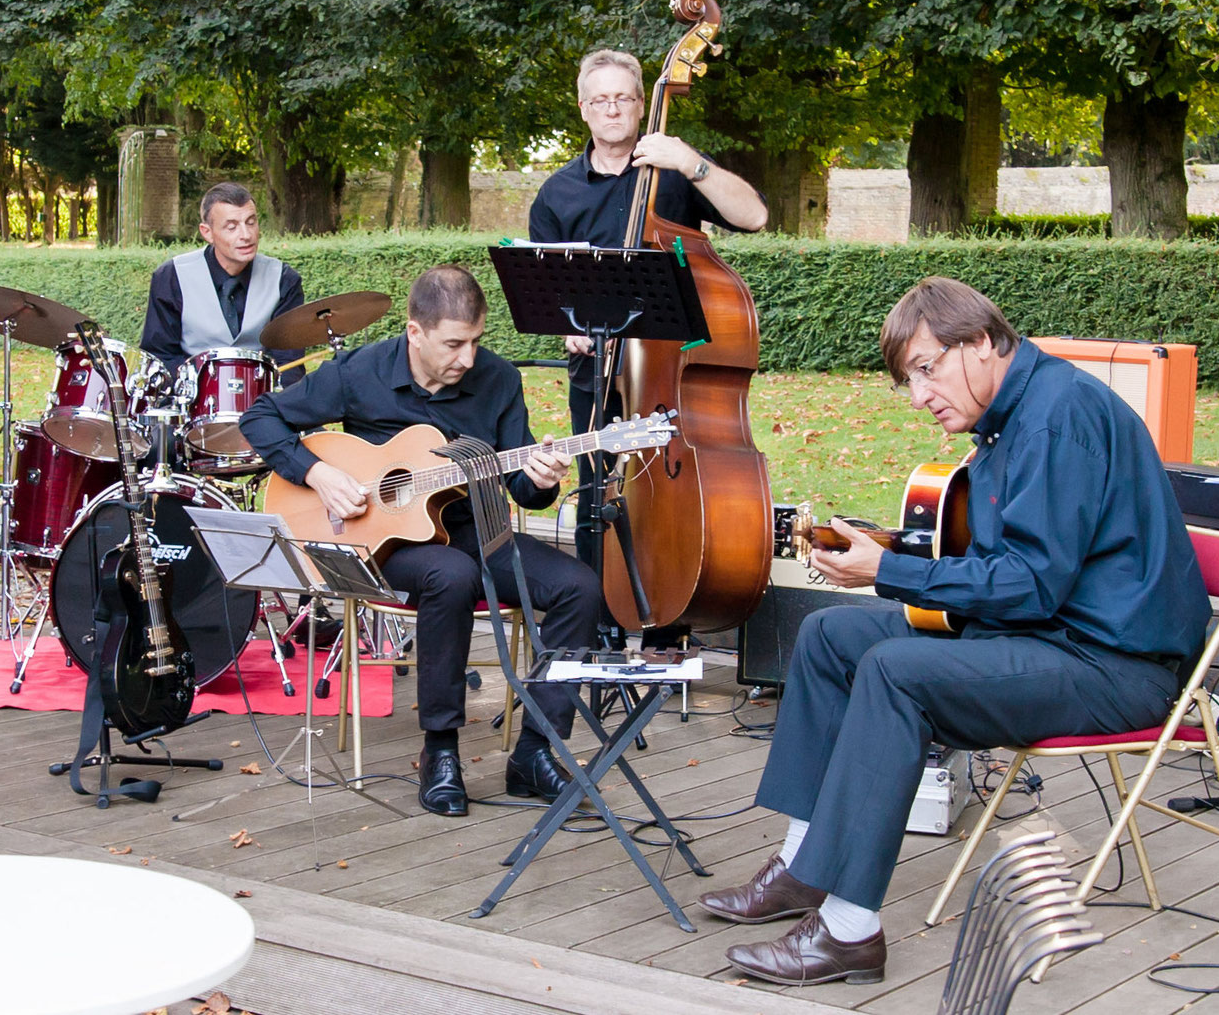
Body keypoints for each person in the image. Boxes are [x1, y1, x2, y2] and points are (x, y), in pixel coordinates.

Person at [700, 277, 1211, 986]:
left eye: (925, 370)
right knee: (829, 639)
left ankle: (849, 933)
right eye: (910, 379)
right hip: (1046, 638)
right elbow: (1008, 567)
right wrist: (891, 555)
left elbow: (1032, 585)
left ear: (978, 345)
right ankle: (801, 865)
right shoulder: (1012, 416)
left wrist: (890, 572)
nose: (918, 396)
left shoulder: (1055, 418)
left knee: (893, 671)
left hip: (1111, 665)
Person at [239, 264, 605, 817]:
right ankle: (440, 750)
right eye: (454, 344)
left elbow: (523, 491)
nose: (468, 359)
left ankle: (536, 751)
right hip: (386, 544)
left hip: (480, 530)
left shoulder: (499, 380)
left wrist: (539, 478)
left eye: (476, 342)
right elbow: (261, 416)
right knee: (449, 577)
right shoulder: (360, 371)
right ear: (416, 332)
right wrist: (317, 474)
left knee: (579, 585)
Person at [527, 48, 768, 623]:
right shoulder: (556, 196)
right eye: (600, 100)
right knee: (595, 497)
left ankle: (667, 616)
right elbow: (550, 291)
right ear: (584, 109)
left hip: (669, 376)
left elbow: (755, 215)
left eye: (624, 98)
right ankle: (596, 626)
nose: (613, 109)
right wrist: (570, 329)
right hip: (597, 376)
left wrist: (692, 163)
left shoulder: (674, 170)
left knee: (667, 495)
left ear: (642, 104)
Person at [139, 181, 306, 374]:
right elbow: (160, 356)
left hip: (264, 398)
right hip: (193, 398)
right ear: (207, 233)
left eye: (251, 222)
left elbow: (288, 362)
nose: (246, 235)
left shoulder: (284, 280)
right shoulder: (171, 277)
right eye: (231, 227)